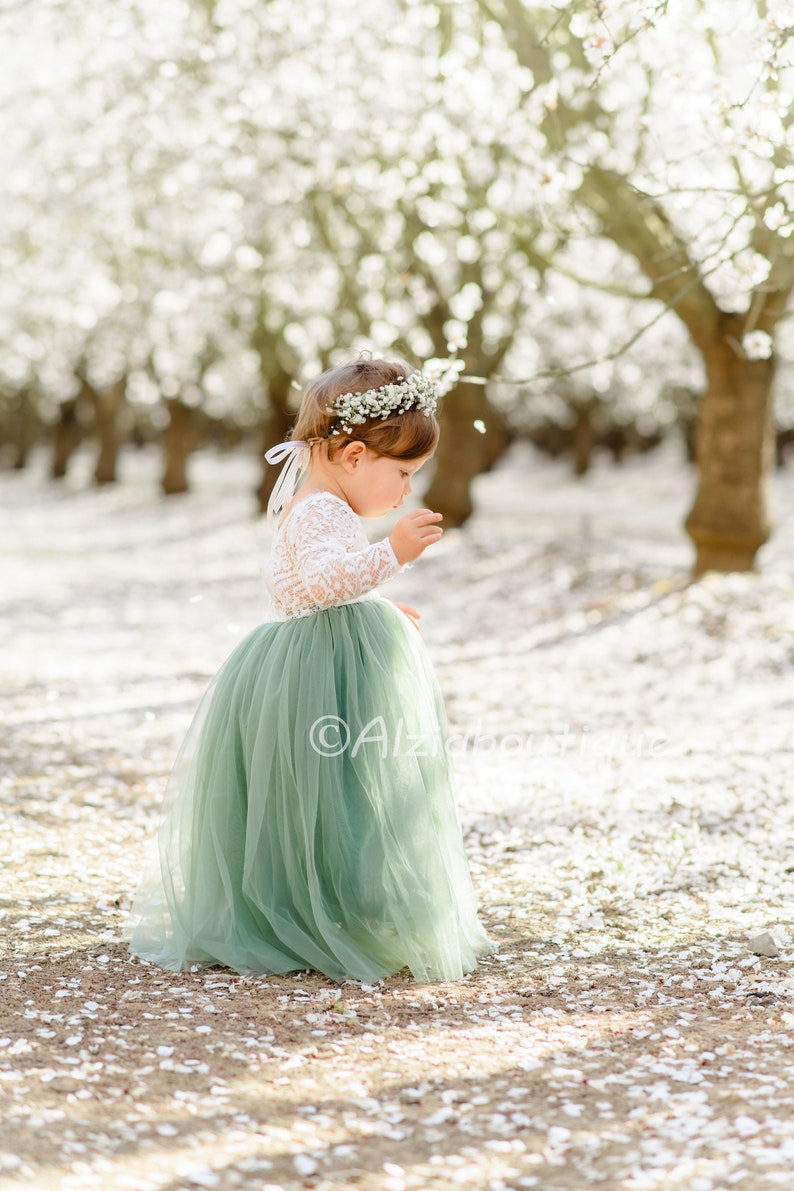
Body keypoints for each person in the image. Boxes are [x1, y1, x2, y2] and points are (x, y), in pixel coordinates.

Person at [125, 357, 492, 983]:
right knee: (332, 788)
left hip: (323, 655)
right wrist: (393, 554)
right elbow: (323, 581)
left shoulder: (323, 503)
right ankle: (317, 910)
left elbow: (319, 584)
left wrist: (373, 601)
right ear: (352, 457)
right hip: (316, 669)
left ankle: (327, 902)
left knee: (335, 787)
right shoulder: (323, 509)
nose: (407, 490)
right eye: (402, 473)